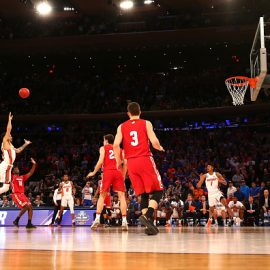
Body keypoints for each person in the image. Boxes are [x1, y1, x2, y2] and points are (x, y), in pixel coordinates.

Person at [113, 102, 165, 235]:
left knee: (143, 194)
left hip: (131, 163)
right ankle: (148, 215)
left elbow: (115, 145)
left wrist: (119, 161)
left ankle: (149, 227)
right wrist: (160, 147)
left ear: (128, 113)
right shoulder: (146, 123)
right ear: (140, 112)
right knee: (158, 190)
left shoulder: (121, 126)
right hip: (144, 159)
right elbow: (154, 142)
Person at [87, 134, 128, 231]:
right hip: (118, 172)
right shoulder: (120, 149)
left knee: (102, 196)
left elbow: (100, 161)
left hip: (108, 172)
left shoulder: (103, 148)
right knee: (122, 196)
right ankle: (124, 220)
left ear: (106, 141)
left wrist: (93, 172)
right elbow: (126, 162)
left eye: (103, 140)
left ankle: (97, 219)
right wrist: (123, 175)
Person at [0, 112, 32, 194]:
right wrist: (9, 120)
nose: (11, 136)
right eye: (9, 135)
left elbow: (18, 150)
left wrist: (25, 144)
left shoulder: (11, 146)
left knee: (6, 188)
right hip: (4, 165)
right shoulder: (5, 142)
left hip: (9, 167)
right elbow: (8, 129)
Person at [11, 158, 37, 228]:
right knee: (27, 206)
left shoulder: (22, 177)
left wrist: (34, 164)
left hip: (22, 195)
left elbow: (30, 173)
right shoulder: (12, 177)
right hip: (16, 194)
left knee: (30, 207)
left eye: (17, 168)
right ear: (13, 171)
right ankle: (16, 220)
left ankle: (29, 223)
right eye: (15, 169)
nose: (17, 169)